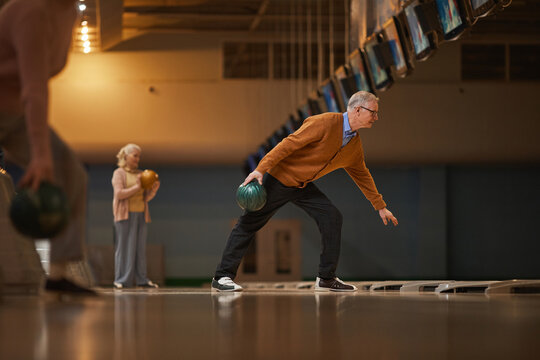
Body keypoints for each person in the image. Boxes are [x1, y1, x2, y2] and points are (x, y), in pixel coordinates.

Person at [212, 91, 398, 292]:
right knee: (249, 223)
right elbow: (287, 144)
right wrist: (260, 169)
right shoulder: (325, 122)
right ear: (358, 110)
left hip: (303, 185)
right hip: (280, 179)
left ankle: (326, 278)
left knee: (332, 217)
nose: (376, 117)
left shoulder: (354, 144)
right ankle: (222, 277)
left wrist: (380, 207)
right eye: (374, 112)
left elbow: (362, 174)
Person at [0, 0, 96, 294]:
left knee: (70, 173)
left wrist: (46, 155)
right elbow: (34, 87)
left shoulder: (66, 14)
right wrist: (40, 155)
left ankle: (58, 275)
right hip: (16, 105)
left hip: (13, 114)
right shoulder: (30, 12)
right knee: (50, 161)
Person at [112, 144, 160, 289]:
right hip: (124, 216)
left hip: (141, 214)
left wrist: (153, 190)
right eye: (135, 155)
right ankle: (120, 279)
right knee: (124, 247)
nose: (137, 159)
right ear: (125, 156)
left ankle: (142, 279)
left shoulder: (140, 174)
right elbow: (119, 194)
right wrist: (137, 187)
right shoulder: (119, 173)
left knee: (140, 248)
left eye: (139, 156)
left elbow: (145, 198)